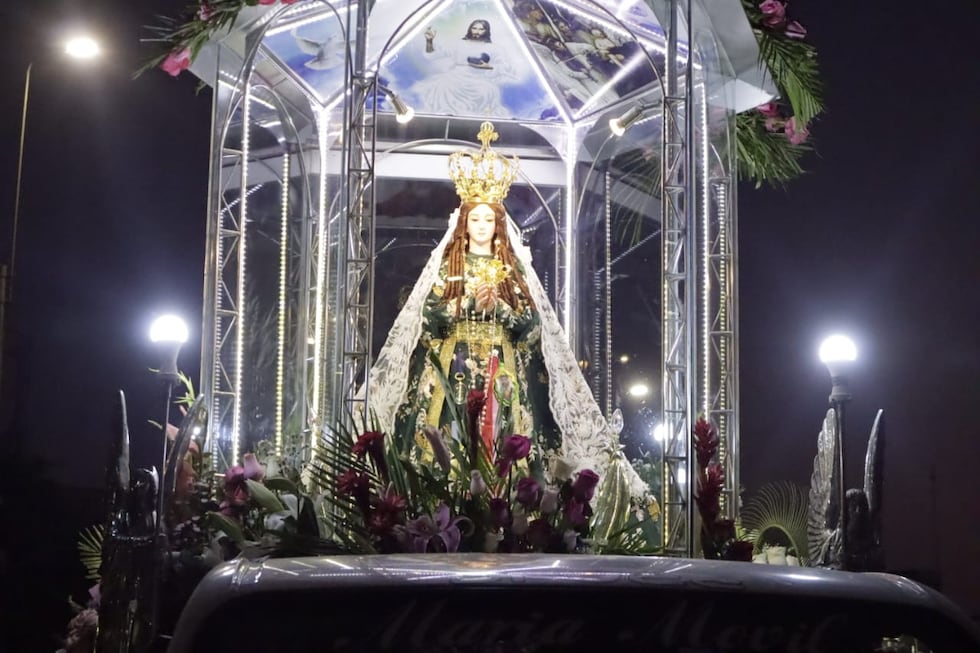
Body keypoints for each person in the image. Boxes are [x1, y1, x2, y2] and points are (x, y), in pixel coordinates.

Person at [364, 123, 647, 498]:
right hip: (454, 367)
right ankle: (441, 499)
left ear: (499, 225)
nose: (481, 227)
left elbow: (532, 326)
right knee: (447, 430)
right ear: (465, 223)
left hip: (502, 370)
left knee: (503, 430)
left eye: (488, 220)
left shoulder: (513, 272)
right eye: (475, 219)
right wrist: (465, 303)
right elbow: (425, 317)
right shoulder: (450, 268)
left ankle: (504, 503)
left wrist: (500, 307)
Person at [416, 20, 519, 118]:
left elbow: (506, 67)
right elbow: (432, 55)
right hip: (455, 77)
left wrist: (489, 66)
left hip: (479, 80)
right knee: (443, 85)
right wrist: (429, 41)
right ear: (470, 29)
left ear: (486, 31)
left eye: (481, 29)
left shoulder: (495, 48)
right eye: (474, 28)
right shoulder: (459, 44)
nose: (477, 32)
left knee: (488, 91)